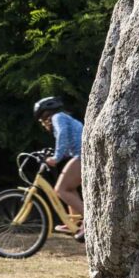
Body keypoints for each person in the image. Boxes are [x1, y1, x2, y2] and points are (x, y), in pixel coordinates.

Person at [35, 95, 85, 234]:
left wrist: (56, 157)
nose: (43, 124)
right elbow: (68, 140)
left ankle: (89, 221)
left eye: (41, 120)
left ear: (45, 115)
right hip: (82, 153)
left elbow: (63, 134)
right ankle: (74, 223)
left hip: (83, 155)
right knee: (69, 188)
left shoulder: (57, 117)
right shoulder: (63, 117)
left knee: (61, 189)